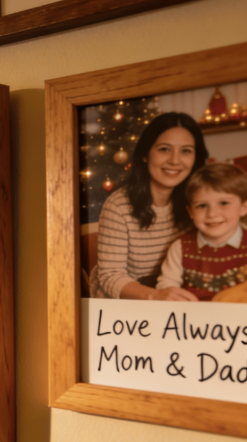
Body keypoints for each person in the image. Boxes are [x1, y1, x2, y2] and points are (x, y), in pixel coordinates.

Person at [91, 112, 210, 301]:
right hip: (124, 305)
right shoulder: (119, 205)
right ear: (146, 154)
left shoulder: (196, 201)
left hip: (173, 299)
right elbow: (110, 275)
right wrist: (155, 296)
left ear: (196, 157)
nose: (175, 160)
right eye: (164, 149)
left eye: (186, 151)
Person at [156, 163, 247, 300]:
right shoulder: (181, 248)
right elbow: (167, 287)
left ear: (243, 207)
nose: (212, 214)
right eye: (202, 206)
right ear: (191, 212)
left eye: (223, 203)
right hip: (194, 317)